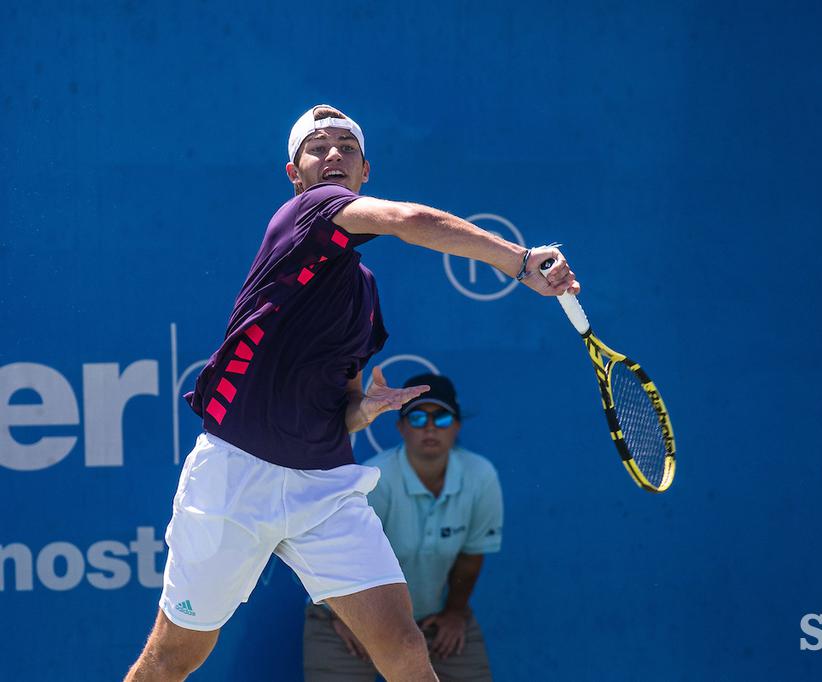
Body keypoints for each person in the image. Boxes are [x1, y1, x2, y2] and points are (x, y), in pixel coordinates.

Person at [124, 104, 578, 682]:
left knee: (404, 649)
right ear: (295, 174)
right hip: (237, 474)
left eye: (347, 147)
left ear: (366, 170)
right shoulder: (308, 212)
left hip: (324, 484)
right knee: (172, 660)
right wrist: (518, 262)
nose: (333, 154)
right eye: (318, 147)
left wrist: (365, 408)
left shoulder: (362, 290)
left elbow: (343, 409)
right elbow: (409, 218)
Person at [304, 374, 502, 681]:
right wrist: (348, 617)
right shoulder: (375, 479)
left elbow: (471, 554)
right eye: (418, 416)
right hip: (344, 617)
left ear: (457, 425)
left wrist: (454, 613)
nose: (430, 427)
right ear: (401, 427)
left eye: (442, 417)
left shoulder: (481, 476)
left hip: (433, 619)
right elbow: (335, 554)